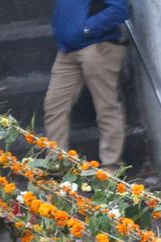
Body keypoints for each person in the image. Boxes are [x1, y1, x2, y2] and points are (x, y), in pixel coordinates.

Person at [44, 0, 130, 169]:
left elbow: (120, 9)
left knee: (106, 107)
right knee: (54, 106)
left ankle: (111, 167)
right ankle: (55, 165)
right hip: (67, 51)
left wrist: (87, 29)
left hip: (97, 47)